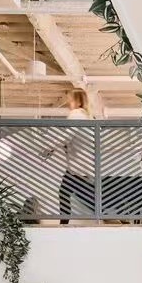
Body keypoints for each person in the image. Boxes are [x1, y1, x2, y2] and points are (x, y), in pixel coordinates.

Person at [58, 89, 94, 222]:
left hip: (78, 167)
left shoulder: (76, 115)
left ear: (78, 101)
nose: (68, 103)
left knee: (66, 192)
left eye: (71, 99)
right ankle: (110, 213)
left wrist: (49, 148)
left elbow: (66, 136)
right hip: (83, 165)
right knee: (68, 192)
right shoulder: (87, 116)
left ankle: (64, 222)